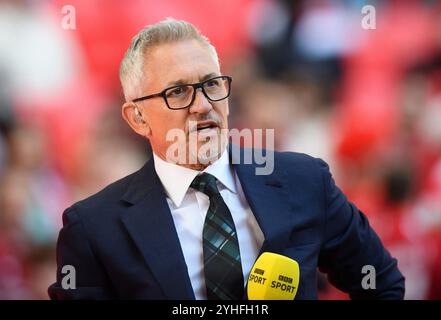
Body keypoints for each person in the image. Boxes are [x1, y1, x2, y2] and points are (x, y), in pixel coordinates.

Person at [48, 18, 405, 300]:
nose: (203, 105)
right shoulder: (94, 228)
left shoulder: (305, 181)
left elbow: (380, 283)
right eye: (178, 92)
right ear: (137, 118)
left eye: (212, 84)